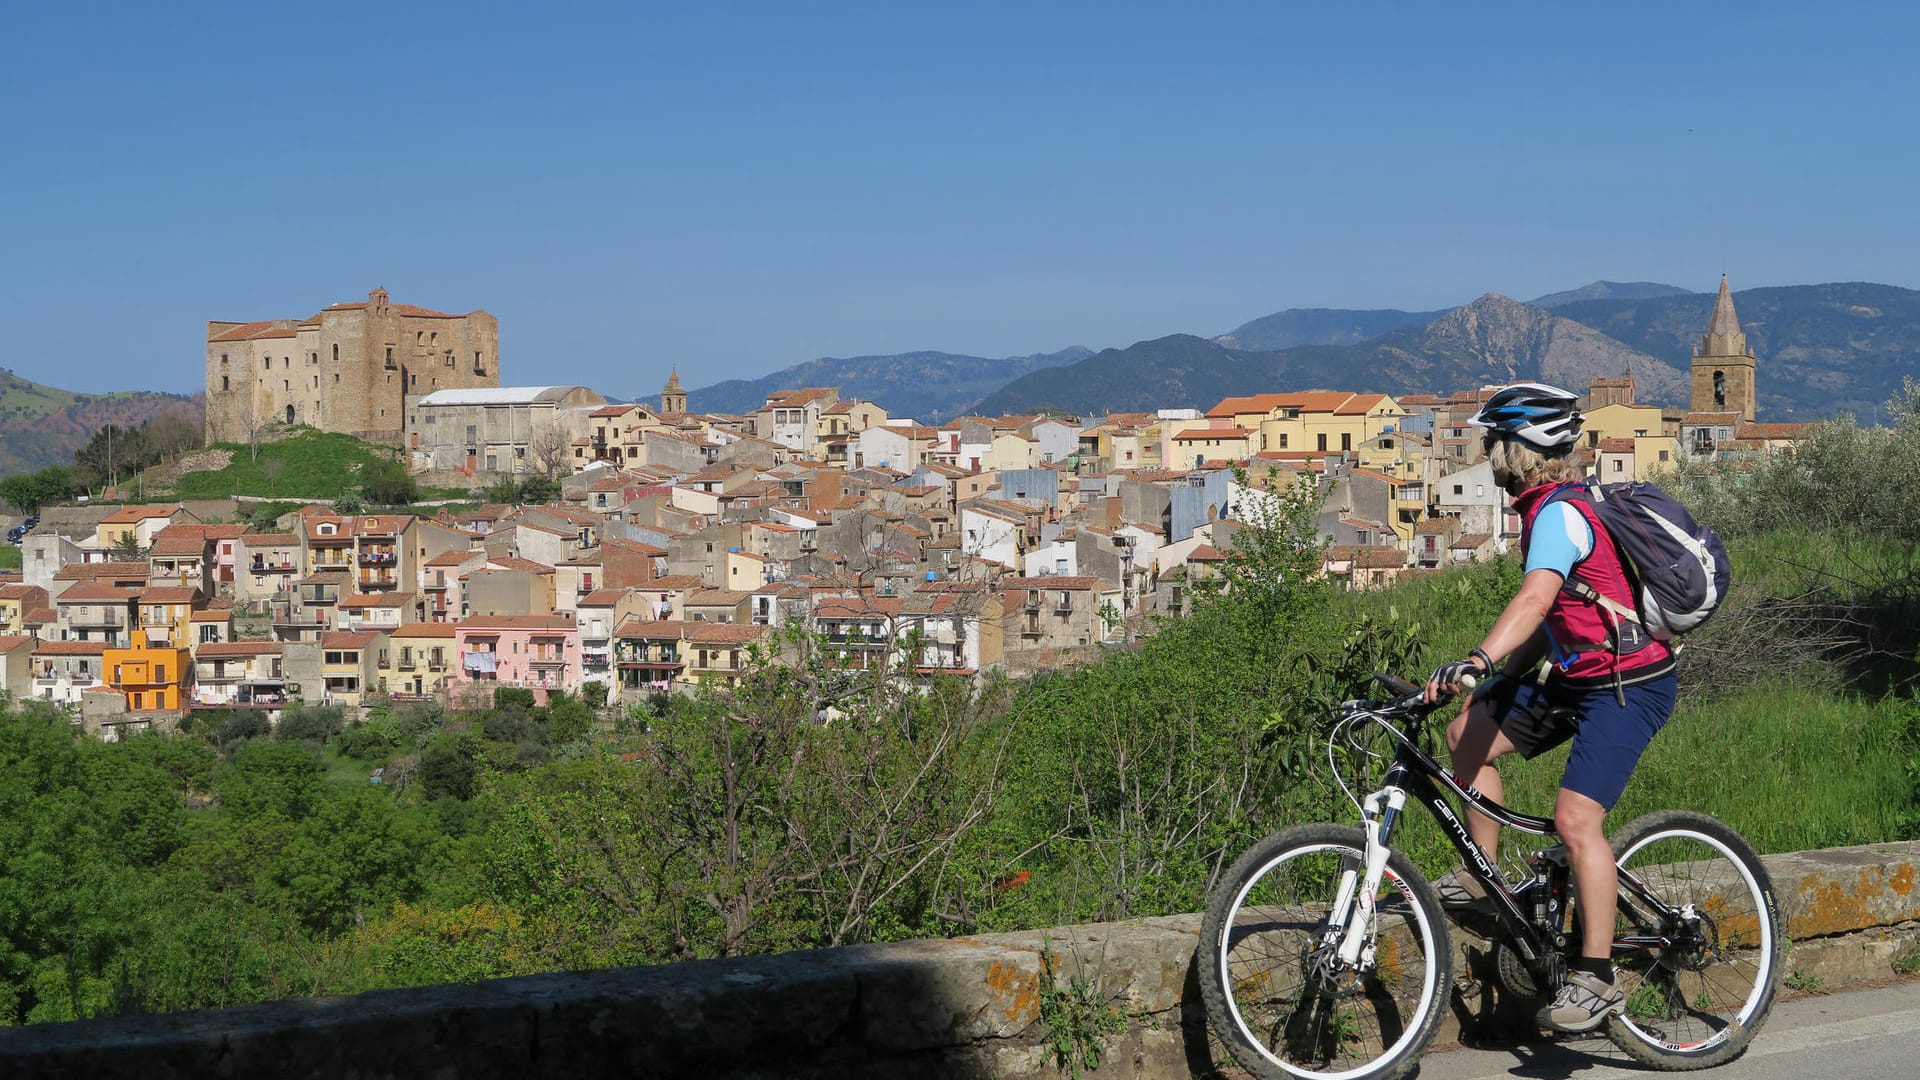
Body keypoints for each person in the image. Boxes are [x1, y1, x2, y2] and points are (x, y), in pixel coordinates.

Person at [1424, 381, 1678, 1033]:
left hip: (1630, 683)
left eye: (1493, 443)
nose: (1487, 454)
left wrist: (1477, 659)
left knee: (1575, 819)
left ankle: (1597, 978)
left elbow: (1536, 602)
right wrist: (1496, 682)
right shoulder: (1548, 510)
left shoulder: (1560, 514)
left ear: (1518, 450)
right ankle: (1482, 874)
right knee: (1467, 733)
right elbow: (1557, 617)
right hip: (1577, 675)